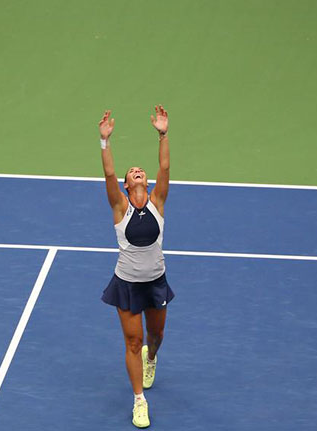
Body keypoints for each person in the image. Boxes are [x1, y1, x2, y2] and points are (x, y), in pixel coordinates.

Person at [98, 105, 174, 428]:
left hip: (156, 282)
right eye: (132, 172)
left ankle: (151, 357)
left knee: (155, 336)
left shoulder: (158, 202)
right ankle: (139, 401)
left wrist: (163, 134)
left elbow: (165, 166)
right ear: (127, 185)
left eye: (140, 170)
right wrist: (105, 141)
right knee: (132, 341)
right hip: (127, 284)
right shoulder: (119, 206)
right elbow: (108, 175)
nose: (137, 171)